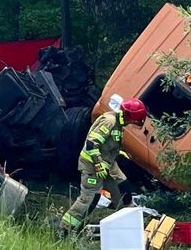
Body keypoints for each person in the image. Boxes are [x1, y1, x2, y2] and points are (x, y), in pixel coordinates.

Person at [59, 97, 148, 234]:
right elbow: (91, 143)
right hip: (92, 166)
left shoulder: (119, 123)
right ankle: (64, 229)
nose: (135, 123)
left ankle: (129, 228)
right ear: (130, 116)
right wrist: (99, 164)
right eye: (135, 120)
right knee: (89, 199)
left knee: (124, 191)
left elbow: (109, 145)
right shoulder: (109, 122)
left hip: (109, 165)